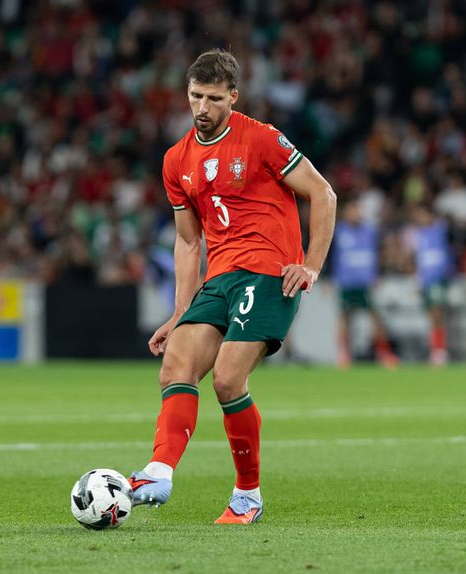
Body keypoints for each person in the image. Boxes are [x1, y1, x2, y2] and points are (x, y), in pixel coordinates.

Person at [128, 49, 336, 524]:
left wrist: (311, 266)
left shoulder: (261, 139)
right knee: (175, 367)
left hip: (268, 274)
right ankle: (158, 473)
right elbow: (188, 242)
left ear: (233, 97)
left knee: (226, 379)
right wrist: (180, 312)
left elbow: (323, 193)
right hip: (219, 278)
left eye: (214, 99)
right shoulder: (175, 160)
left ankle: (248, 495)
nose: (203, 107)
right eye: (196, 96)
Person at [333, 197, 399, 368]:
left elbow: (379, 253)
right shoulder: (338, 231)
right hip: (346, 281)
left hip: (366, 282)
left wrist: (378, 274)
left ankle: (384, 352)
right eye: (353, 210)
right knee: (345, 318)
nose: (356, 213)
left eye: (358, 210)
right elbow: (331, 255)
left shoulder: (370, 231)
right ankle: (343, 354)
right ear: (345, 212)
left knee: (374, 317)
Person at [406, 204, 453, 365]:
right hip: (424, 281)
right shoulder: (416, 235)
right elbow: (415, 259)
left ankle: (440, 350)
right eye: (418, 216)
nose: (420, 218)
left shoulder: (441, 229)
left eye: (423, 215)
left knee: (437, 313)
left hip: (438, 279)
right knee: (431, 316)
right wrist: (416, 280)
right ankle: (436, 350)